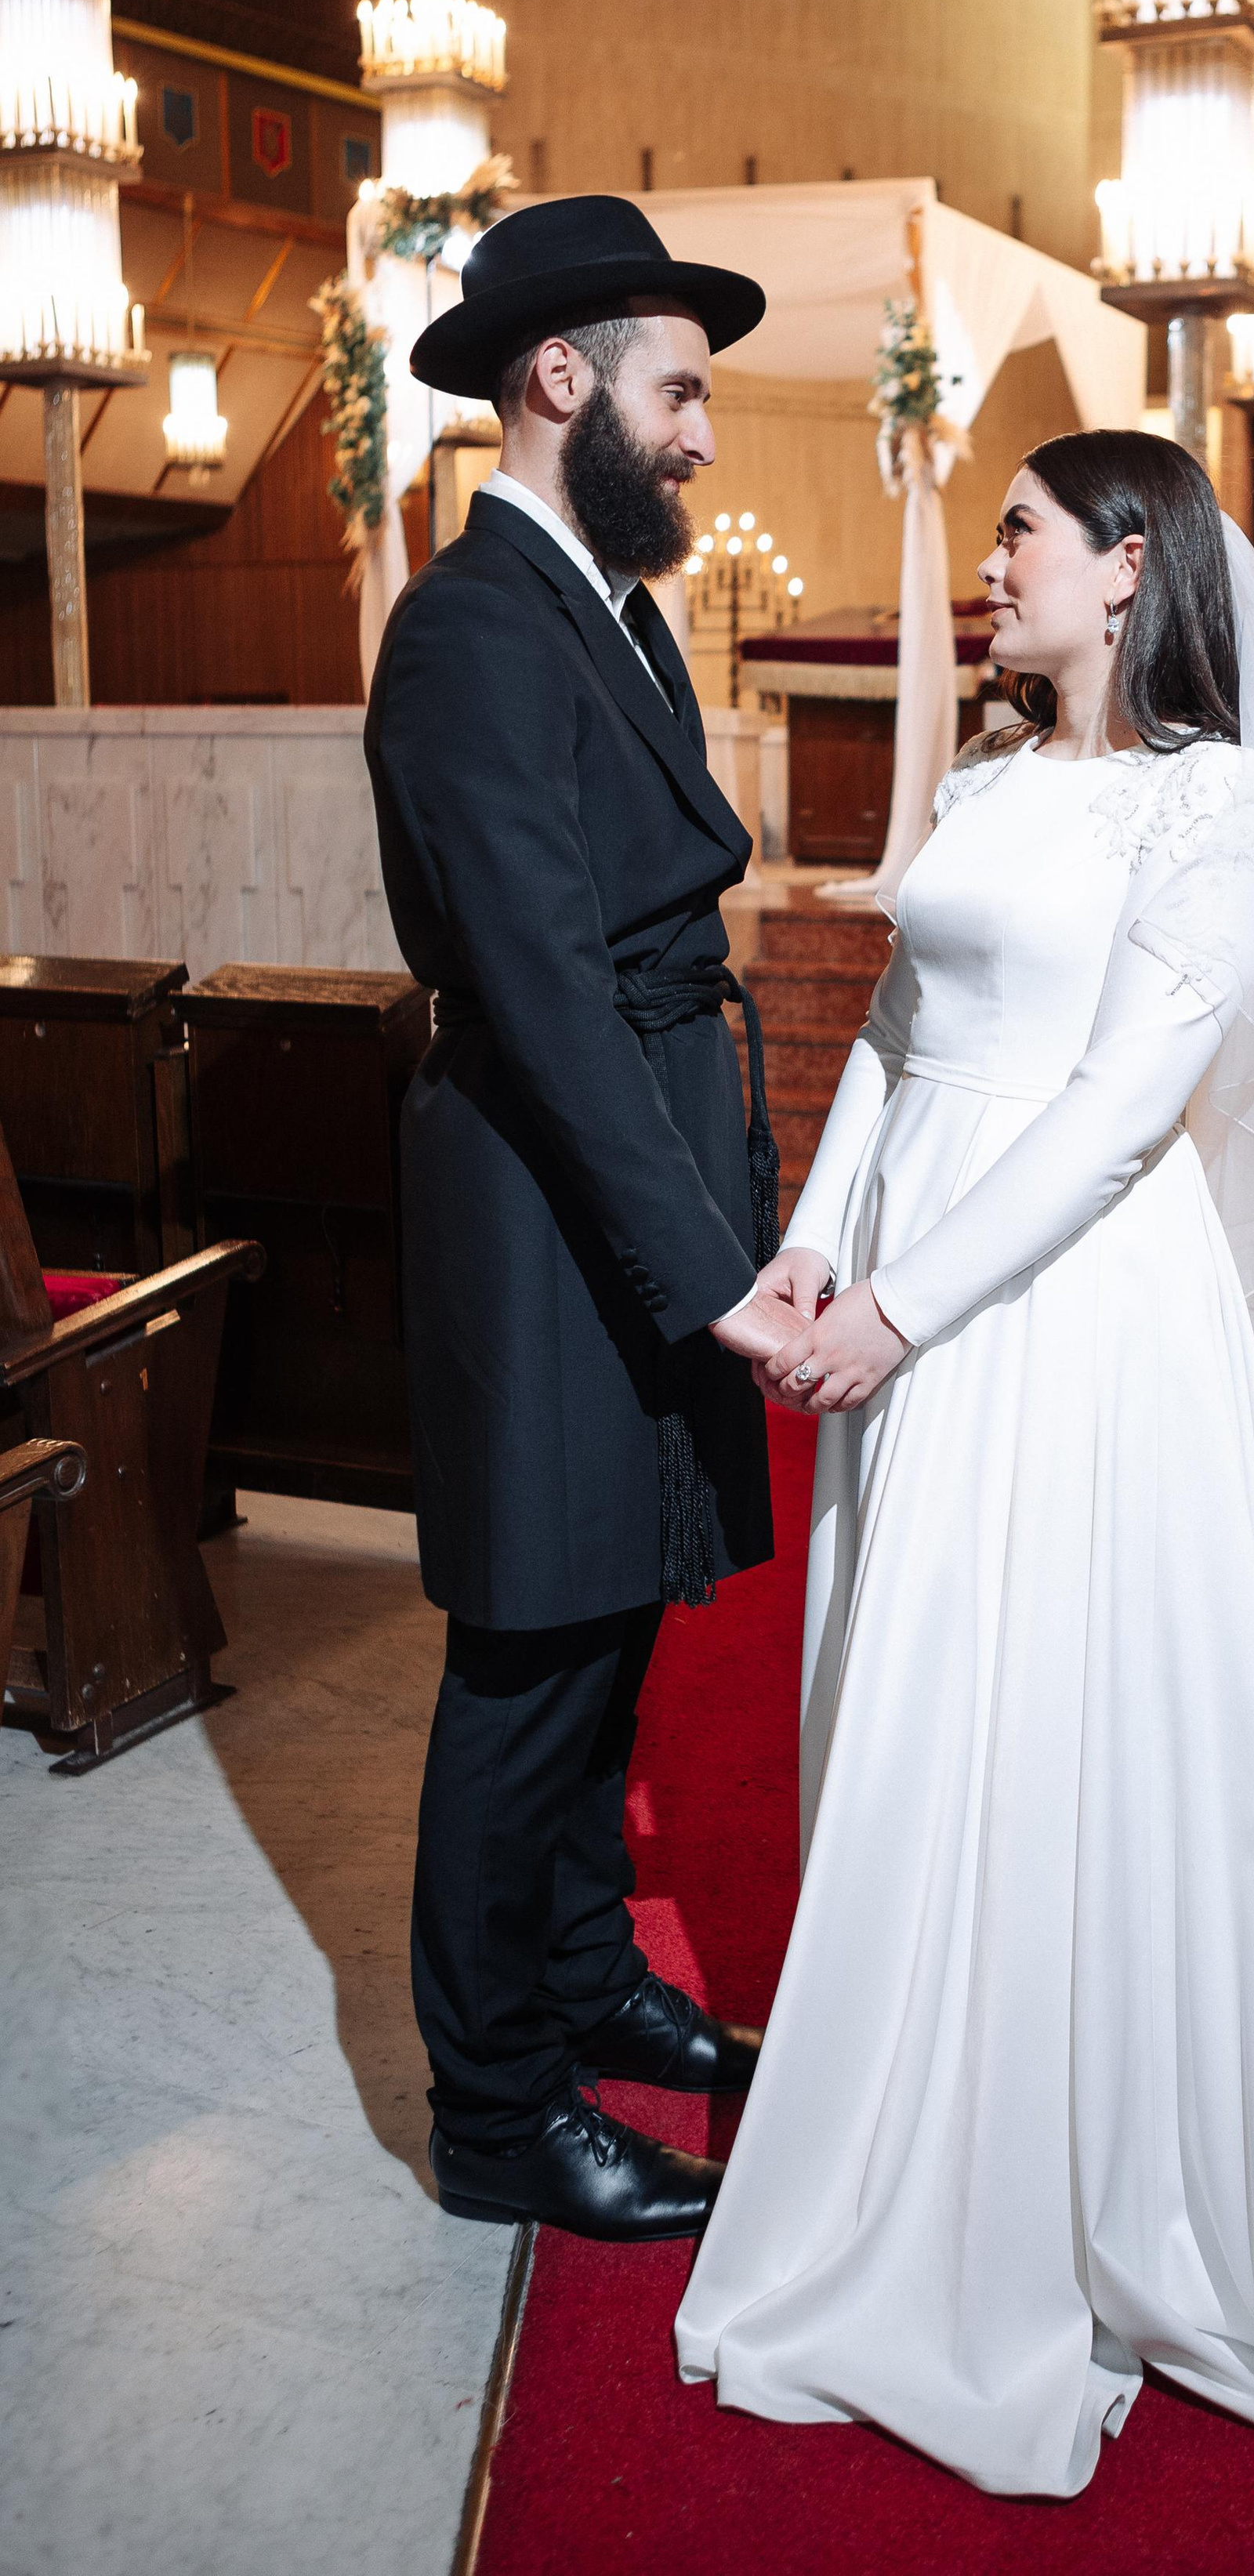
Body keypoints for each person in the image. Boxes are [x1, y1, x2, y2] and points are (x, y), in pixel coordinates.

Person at [676, 430, 1254, 2494]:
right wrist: (822, 1239)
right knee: (920, 1693)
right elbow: (904, 1035)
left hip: (1081, 1305)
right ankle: (920, 2079)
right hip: (919, 1264)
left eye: (1018, 531)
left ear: (1128, 562)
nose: (990, 563)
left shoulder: (1223, 799)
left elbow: (1112, 1113)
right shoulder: (991, 783)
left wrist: (908, 1314)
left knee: (1072, 1700)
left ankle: (1099, 2143)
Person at [366, 196, 799, 2245]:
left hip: (624, 1164)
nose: (704, 435)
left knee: (614, 1621)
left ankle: (580, 1978)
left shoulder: (606, 613)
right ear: (566, 384)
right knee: (533, 1647)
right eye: (682, 389)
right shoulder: (469, 629)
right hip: (545, 1198)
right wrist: (712, 1278)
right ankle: (496, 2111)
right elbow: (539, 992)